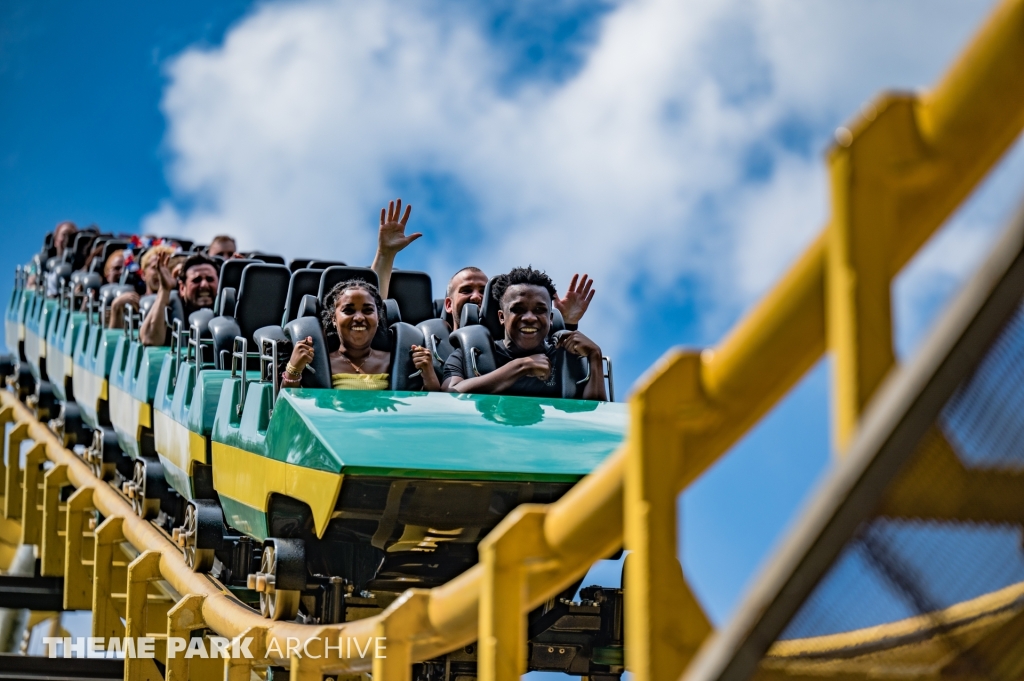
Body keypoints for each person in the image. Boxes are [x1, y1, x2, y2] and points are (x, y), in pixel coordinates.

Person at [442, 266, 606, 401]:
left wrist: (595, 357)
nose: (529, 318)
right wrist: (521, 366)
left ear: (550, 318)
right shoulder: (470, 354)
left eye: (539, 310)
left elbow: (594, 415)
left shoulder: (566, 358)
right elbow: (449, 394)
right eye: (518, 310)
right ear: (501, 317)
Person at [282, 280, 439, 391]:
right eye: (348, 311)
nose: (358, 317)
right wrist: (294, 368)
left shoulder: (402, 361)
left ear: (378, 318)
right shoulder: (317, 363)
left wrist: (429, 373)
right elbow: (286, 411)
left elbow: (431, 411)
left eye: (368, 310)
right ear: (333, 319)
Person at [444, 268, 595, 332]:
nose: (476, 296)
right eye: (466, 290)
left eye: (484, 291)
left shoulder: (512, 342)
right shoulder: (434, 346)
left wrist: (566, 323)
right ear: (449, 304)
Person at [139, 252, 219, 346]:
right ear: (182, 288)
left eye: (210, 279)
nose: (204, 285)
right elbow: (149, 340)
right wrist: (164, 290)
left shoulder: (229, 309)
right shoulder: (171, 308)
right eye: (196, 280)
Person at [108, 244, 176, 330]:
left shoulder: (177, 304)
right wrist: (116, 307)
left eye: (167, 268)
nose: (161, 273)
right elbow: (114, 340)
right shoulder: (133, 304)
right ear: (143, 274)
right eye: (155, 267)